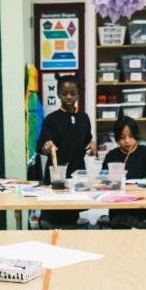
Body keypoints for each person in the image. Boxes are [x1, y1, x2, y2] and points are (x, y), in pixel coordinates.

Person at [36, 74, 95, 229]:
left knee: (72, 219)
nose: (69, 97)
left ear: (79, 94)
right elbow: (42, 146)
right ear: (58, 94)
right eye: (64, 93)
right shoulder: (52, 119)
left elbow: (87, 141)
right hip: (56, 175)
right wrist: (47, 146)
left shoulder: (84, 118)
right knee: (52, 219)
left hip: (77, 175)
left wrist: (92, 146)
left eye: (73, 93)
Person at [100, 115, 146, 229]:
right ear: (117, 137)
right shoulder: (112, 155)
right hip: (120, 210)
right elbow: (102, 180)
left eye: (131, 136)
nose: (127, 141)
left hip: (145, 208)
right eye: (122, 137)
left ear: (136, 135)